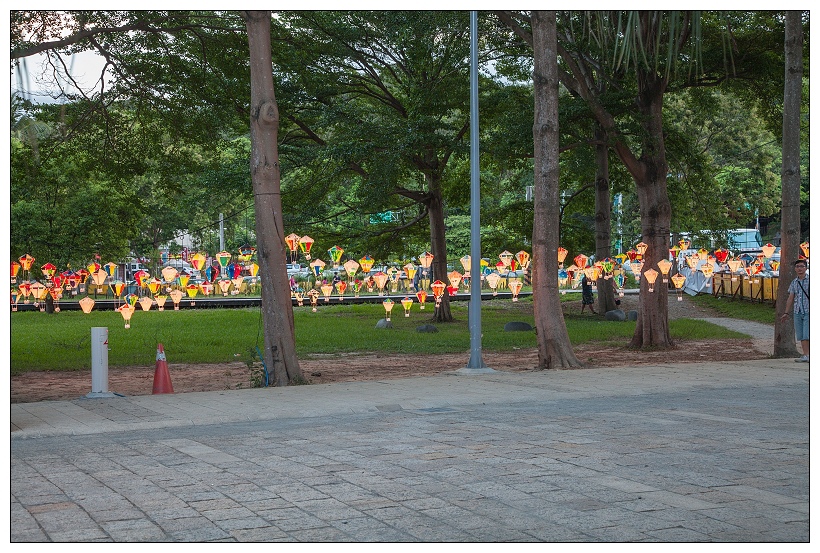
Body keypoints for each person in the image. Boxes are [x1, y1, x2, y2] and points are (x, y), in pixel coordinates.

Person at [779, 259, 810, 362]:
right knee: (801, 335)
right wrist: (786, 312)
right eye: (797, 267)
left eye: (802, 266)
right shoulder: (794, 282)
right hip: (798, 311)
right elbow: (791, 297)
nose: (799, 269)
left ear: (806, 268)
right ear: (795, 269)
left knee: (807, 334)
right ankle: (806, 355)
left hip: (808, 311)